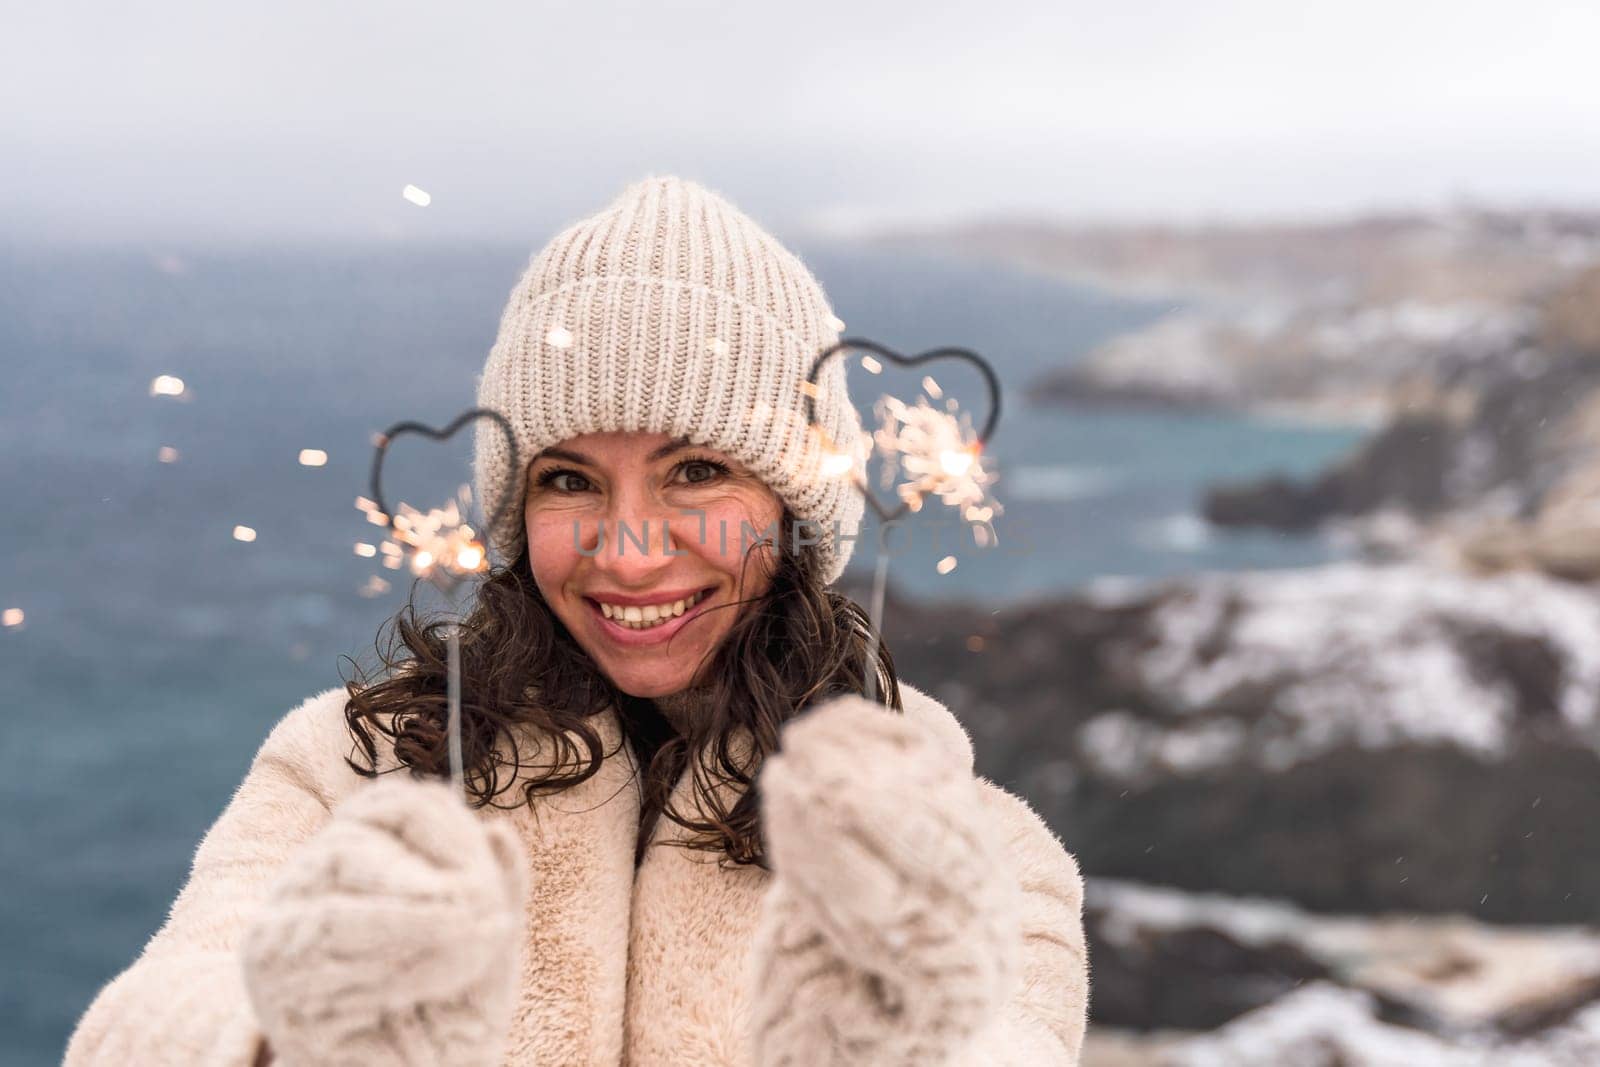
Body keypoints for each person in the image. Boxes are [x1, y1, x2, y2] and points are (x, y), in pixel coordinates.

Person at [63, 175, 1089, 1066]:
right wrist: (293, 1030)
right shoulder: (350, 772)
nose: (629, 550)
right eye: (569, 480)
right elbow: (153, 1018)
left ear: (795, 505)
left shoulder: (964, 844)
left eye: (697, 470)